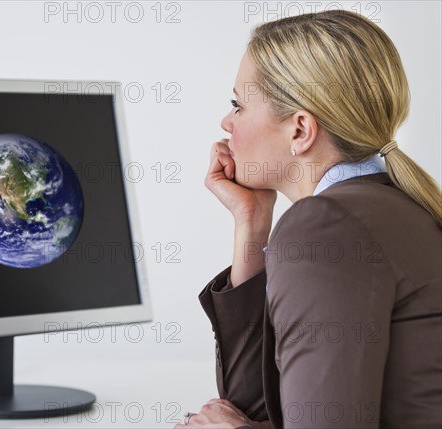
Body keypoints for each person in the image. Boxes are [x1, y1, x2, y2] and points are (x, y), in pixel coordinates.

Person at [175, 9, 442, 429]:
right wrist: (252, 220)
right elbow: (261, 405)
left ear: (300, 130)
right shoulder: (390, 204)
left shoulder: (330, 226)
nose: (227, 122)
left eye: (238, 105)